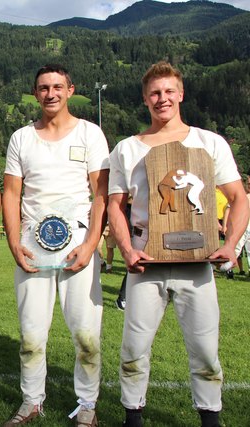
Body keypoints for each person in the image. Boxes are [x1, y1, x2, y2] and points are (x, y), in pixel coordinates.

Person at [107, 61, 249, 427]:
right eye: (155, 93)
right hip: (146, 260)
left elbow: (239, 197)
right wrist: (126, 250)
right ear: (144, 99)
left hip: (197, 262)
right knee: (134, 349)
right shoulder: (126, 148)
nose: (162, 99)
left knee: (205, 350)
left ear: (181, 94)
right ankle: (132, 418)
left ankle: (210, 419)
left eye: (169, 91)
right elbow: (114, 205)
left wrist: (231, 244)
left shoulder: (209, 142)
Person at [2, 64, 109, 427]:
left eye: (57, 87)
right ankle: (31, 402)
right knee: (31, 335)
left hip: (78, 249)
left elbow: (101, 195)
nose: (51, 93)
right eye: (44, 88)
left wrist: (91, 243)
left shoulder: (90, 134)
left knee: (85, 332)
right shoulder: (21, 138)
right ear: (36, 93)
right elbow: (12, 193)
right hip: (32, 249)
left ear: (70, 89)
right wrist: (14, 244)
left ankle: (88, 407)